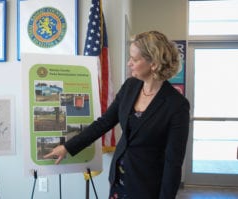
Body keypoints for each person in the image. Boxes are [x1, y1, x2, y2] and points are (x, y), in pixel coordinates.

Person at [44, 30, 190, 199]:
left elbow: (173, 163)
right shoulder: (130, 86)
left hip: (147, 187)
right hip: (118, 181)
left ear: (154, 64)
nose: (129, 63)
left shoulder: (176, 105)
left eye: (134, 59)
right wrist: (68, 147)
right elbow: (104, 123)